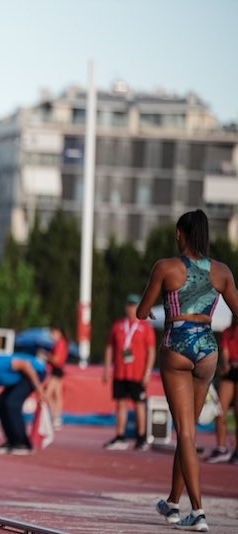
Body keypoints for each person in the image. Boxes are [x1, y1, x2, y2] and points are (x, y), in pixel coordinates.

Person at [136, 209, 238, 532]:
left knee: (187, 433)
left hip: (177, 346)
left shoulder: (166, 267)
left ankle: (198, 511)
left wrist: (152, 313)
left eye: (177, 233)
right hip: (207, 349)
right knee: (188, 431)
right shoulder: (221, 272)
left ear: (182, 233)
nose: (175, 237)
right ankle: (173, 504)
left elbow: (141, 310)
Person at [101, 294, 156, 451]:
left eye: (135, 306)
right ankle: (120, 436)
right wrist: (106, 369)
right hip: (120, 372)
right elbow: (110, 347)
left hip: (137, 373)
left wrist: (148, 372)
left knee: (139, 404)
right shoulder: (118, 326)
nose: (132, 309)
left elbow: (151, 351)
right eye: (130, 305)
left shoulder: (145, 327)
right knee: (120, 404)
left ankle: (141, 437)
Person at [0, 353, 46, 455]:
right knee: (0, 403)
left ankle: (23, 444)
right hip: (19, 378)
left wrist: (39, 389)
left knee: (11, 403)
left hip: (34, 371)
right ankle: (12, 441)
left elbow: (25, 365)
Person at [205, 315, 238, 463]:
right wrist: (224, 365)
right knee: (220, 409)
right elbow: (225, 351)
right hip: (230, 371)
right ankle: (221, 448)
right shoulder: (227, 332)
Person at [43, 325, 68, 429]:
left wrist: (47, 356)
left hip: (57, 371)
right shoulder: (61, 343)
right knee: (56, 395)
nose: (51, 336)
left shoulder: (60, 344)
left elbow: (57, 360)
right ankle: (56, 418)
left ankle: (51, 417)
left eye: (52, 333)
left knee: (47, 394)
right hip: (58, 370)